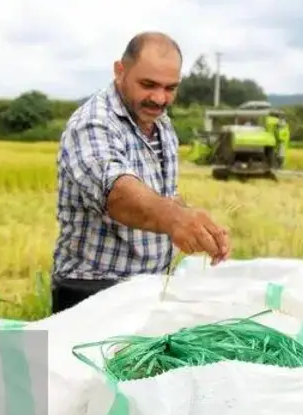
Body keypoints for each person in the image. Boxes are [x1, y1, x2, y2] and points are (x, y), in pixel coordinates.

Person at [51, 31, 231, 312]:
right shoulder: (93, 123)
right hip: (93, 292)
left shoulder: (162, 124)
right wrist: (176, 219)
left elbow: (163, 196)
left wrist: (198, 226)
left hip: (150, 287)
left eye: (170, 88)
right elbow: (117, 193)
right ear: (120, 71)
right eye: (148, 84)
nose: (159, 98)